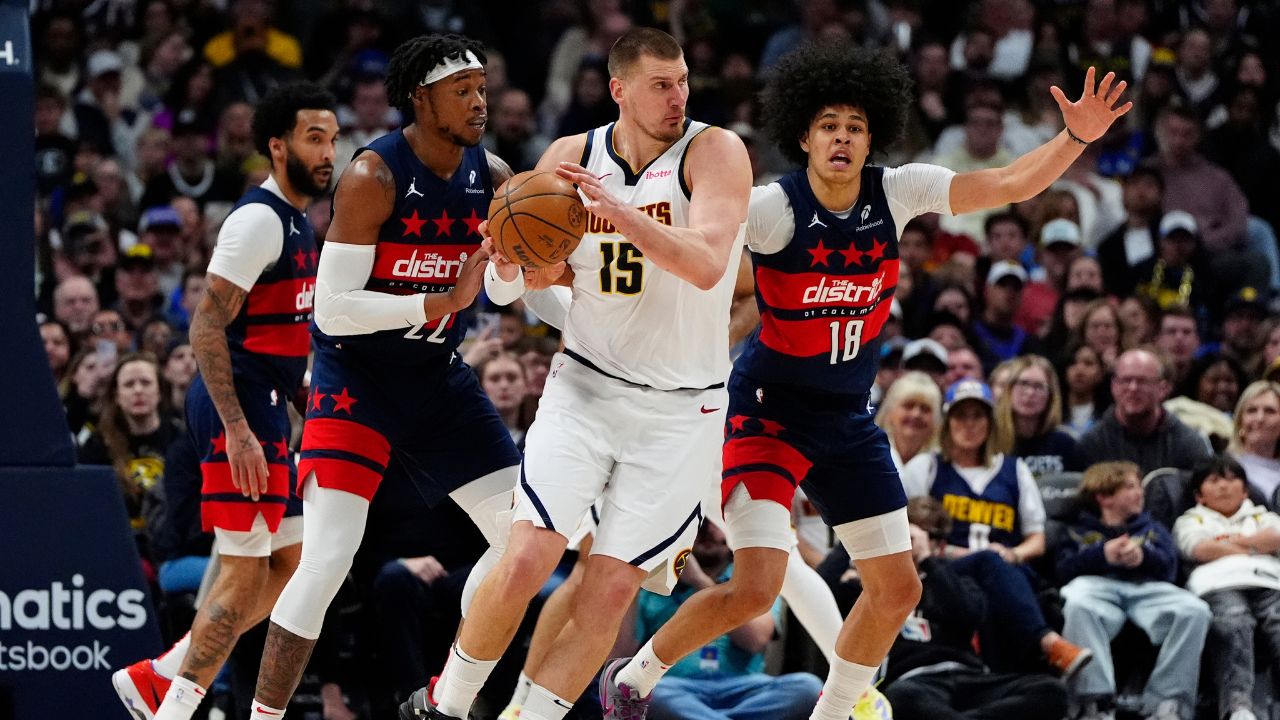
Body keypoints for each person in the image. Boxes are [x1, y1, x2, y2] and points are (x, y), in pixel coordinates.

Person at [600, 48, 1129, 720]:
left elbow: (1007, 184)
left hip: (848, 418)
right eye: (828, 125)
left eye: (854, 125)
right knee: (757, 588)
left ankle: (838, 710)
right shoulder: (770, 210)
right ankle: (635, 676)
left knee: (897, 589)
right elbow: (690, 251)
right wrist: (608, 221)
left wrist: (1074, 137)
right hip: (768, 413)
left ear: (872, 136)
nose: (843, 137)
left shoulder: (898, 191)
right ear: (804, 137)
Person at [403, 27, 753, 720]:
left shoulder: (714, 152)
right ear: (619, 89)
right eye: (660, 84)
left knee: (610, 591)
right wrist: (507, 257)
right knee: (529, 554)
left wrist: (618, 212)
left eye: (682, 80)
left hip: (681, 412)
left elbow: (710, 263)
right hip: (586, 387)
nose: (677, 95)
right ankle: (447, 702)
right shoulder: (570, 158)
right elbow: (537, 272)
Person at [251, 34, 525, 720]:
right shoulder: (373, 175)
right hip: (358, 380)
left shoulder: (491, 176)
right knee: (329, 556)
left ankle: (446, 697)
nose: (479, 102)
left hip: (436, 377)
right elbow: (336, 311)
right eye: (462, 91)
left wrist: (533, 271)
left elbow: (504, 284)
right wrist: (440, 300)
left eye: (482, 89)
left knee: (529, 543)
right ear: (419, 98)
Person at [110, 82, 338, 720]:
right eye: (314, 139)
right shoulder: (257, 220)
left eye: (333, 140)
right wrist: (237, 429)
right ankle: (175, 705)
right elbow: (206, 327)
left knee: (294, 564)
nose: (327, 154)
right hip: (235, 409)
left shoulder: (298, 222)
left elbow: (277, 336)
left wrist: (306, 398)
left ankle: (162, 673)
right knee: (241, 579)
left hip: (263, 402)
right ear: (277, 144)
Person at [902, 380, 1089, 676]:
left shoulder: (1014, 469)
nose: (969, 424)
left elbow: (1037, 540)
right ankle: (1049, 644)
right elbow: (908, 530)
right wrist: (962, 552)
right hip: (944, 571)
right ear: (947, 422)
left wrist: (1012, 554)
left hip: (1005, 568)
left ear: (991, 422)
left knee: (997, 575)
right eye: (961, 416)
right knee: (987, 563)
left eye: (978, 416)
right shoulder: (927, 466)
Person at [877, 497, 1069, 720]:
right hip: (914, 681)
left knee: (1050, 691)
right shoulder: (870, 587)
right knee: (900, 699)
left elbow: (970, 615)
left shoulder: (956, 581)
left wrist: (927, 560)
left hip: (969, 676)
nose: (908, 544)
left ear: (939, 545)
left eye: (916, 537)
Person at [1055, 461, 1210, 720]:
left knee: (1196, 610)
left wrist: (1143, 557)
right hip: (1097, 588)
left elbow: (1171, 570)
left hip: (1148, 590)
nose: (1140, 493)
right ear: (1104, 496)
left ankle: (1166, 702)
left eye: (1139, 487)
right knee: (1076, 601)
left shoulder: (1152, 529)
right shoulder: (1078, 530)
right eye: (1129, 487)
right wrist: (1102, 554)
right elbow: (1062, 571)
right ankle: (1094, 702)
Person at [639, 521, 823, 720]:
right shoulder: (654, 586)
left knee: (807, 687)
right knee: (648, 696)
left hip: (745, 690)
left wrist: (699, 581)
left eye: (713, 522)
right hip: (677, 688)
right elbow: (618, 656)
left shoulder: (754, 579)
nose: (707, 530)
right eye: (701, 523)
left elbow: (756, 639)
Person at [1173, 456, 1280, 720]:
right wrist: (1255, 546)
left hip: (1270, 582)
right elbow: (1199, 548)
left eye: (1232, 480)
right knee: (1234, 625)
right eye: (1214, 480)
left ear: (1245, 490)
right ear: (1199, 495)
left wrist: (1228, 543)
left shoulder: (1263, 515)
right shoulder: (1190, 520)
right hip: (1217, 585)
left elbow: (1276, 537)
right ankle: (1238, 708)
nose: (1224, 486)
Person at [1078, 348, 1213, 475]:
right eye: (1126, 380)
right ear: (1114, 386)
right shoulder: (1092, 443)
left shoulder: (1188, 443)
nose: (1133, 388)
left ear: (1162, 388)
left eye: (1142, 381)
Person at [994, 354, 1084, 480]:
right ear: (1009, 389)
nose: (1030, 393)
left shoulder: (1066, 444)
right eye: (1023, 383)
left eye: (1039, 386)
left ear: (1051, 395)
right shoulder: (991, 440)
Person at [875, 370, 943, 472]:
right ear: (890, 410)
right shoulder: (871, 453)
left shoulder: (942, 464)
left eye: (925, 408)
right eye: (908, 405)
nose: (916, 414)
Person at [1229, 381, 1280, 503]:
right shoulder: (1225, 468)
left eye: (1270, 411)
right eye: (1251, 410)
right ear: (1240, 421)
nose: (1260, 418)